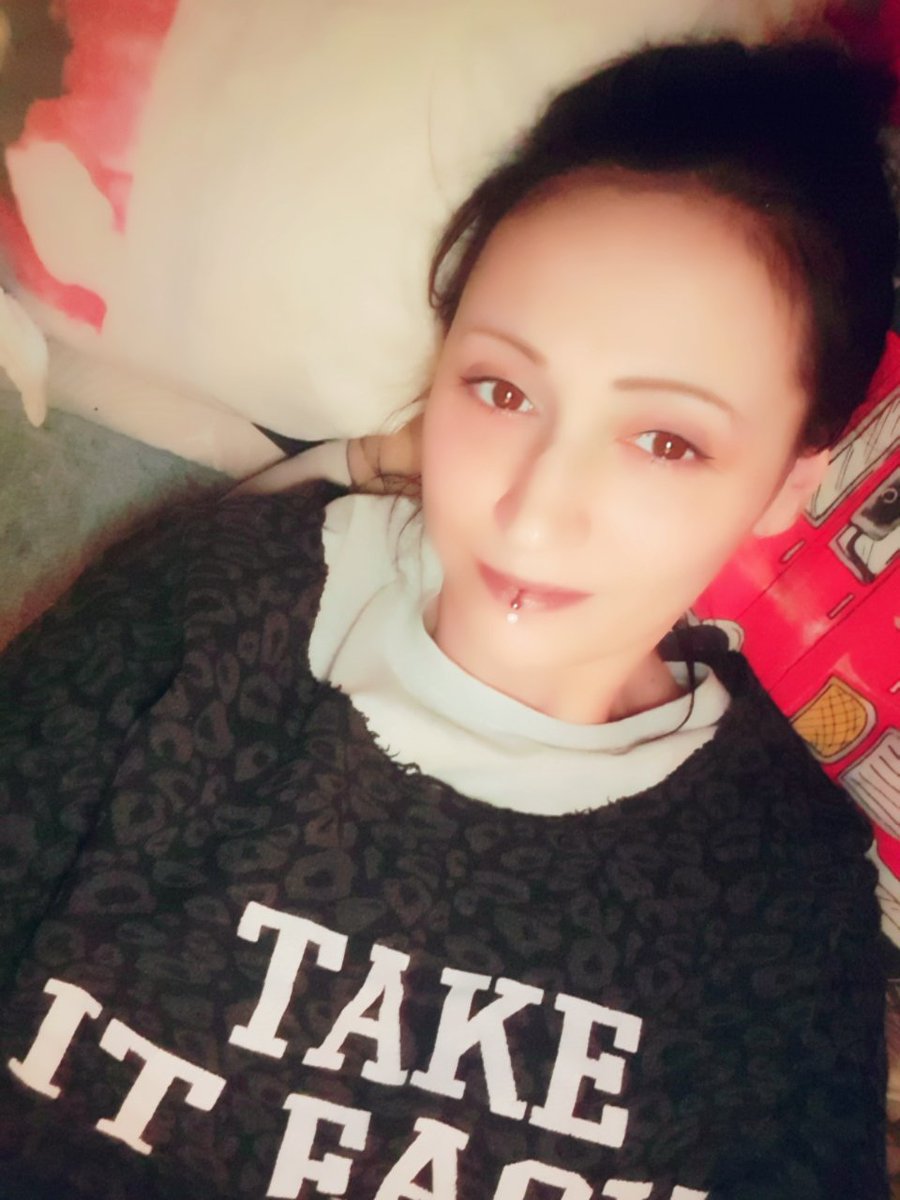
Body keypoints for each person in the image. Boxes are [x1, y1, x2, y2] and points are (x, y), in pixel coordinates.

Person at [0, 36, 896, 1200]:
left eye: (666, 440)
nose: (533, 509)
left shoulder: (781, 885)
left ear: (787, 482)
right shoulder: (210, 613)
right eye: (502, 389)